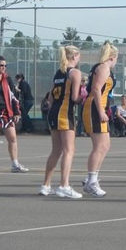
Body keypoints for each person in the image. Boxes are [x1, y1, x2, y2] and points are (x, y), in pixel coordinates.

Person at [40, 46, 84, 199]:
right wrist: (84, 95)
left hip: (53, 113)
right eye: (79, 56)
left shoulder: (58, 73)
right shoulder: (75, 73)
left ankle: (46, 185)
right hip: (65, 113)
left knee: (56, 150)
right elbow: (75, 98)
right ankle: (64, 185)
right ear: (74, 56)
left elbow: (50, 98)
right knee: (69, 150)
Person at [81, 41, 119, 197]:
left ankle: (92, 177)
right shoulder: (103, 68)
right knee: (99, 146)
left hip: (99, 108)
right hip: (95, 108)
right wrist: (101, 111)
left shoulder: (103, 68)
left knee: (105, 145)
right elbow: (96, 89)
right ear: (112, 57)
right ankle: (91, 181)